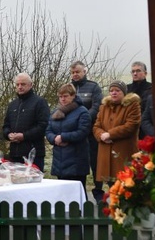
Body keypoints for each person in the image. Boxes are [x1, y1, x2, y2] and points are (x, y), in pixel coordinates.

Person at [45, 83, 91, 197]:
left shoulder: (82, 112)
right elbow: (48, 130)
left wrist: (63, 137)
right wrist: (54, 138)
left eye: (65, 96)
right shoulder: (55, 112)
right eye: (60, 97)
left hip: (77, 160)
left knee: (77, 192)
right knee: (63, 194)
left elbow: (82, 132)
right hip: (59, 160)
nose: (63, 99)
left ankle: (81, 213)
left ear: (73, 95)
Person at [93, 80, 141, 188]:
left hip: (123, 154)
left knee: (126, 186)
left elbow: (131, 126)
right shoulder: (104, 107)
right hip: (106, 153)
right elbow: (96, 126)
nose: (113, 93)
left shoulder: (132, 106)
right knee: (112, 187)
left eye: (117, 90)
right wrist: (101, 135)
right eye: (111, 91)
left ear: (123, 92)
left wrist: (110, 134)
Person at [70, 61, 104, 201]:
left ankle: (98, 193)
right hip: (76, 135)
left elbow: (97, 107)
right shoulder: (69, 88)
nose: (75, 74)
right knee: (78, 166)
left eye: (77, 72)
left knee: (96, 165)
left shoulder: (93, 87)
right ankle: (80, 196)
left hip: (91, 133)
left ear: (84, 71)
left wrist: (82, 119)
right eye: (72, 72)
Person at [2, 72, 50, 171]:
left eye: (23, 84)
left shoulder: (40, 102)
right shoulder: (12, 105)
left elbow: (43, 126)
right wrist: (8, 134)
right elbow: (6, 125)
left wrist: (24, 136)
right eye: (17, 84)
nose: (20, 87)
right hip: (15, 153)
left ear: (31, 85)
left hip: (33, 154)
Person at [126, 61, 152, 138]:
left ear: (145, 73)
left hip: (146, 129)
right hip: (129, 128)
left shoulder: (152, 89)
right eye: (133, 71)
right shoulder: (126, 89)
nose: (135, 74)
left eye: (138, 71)